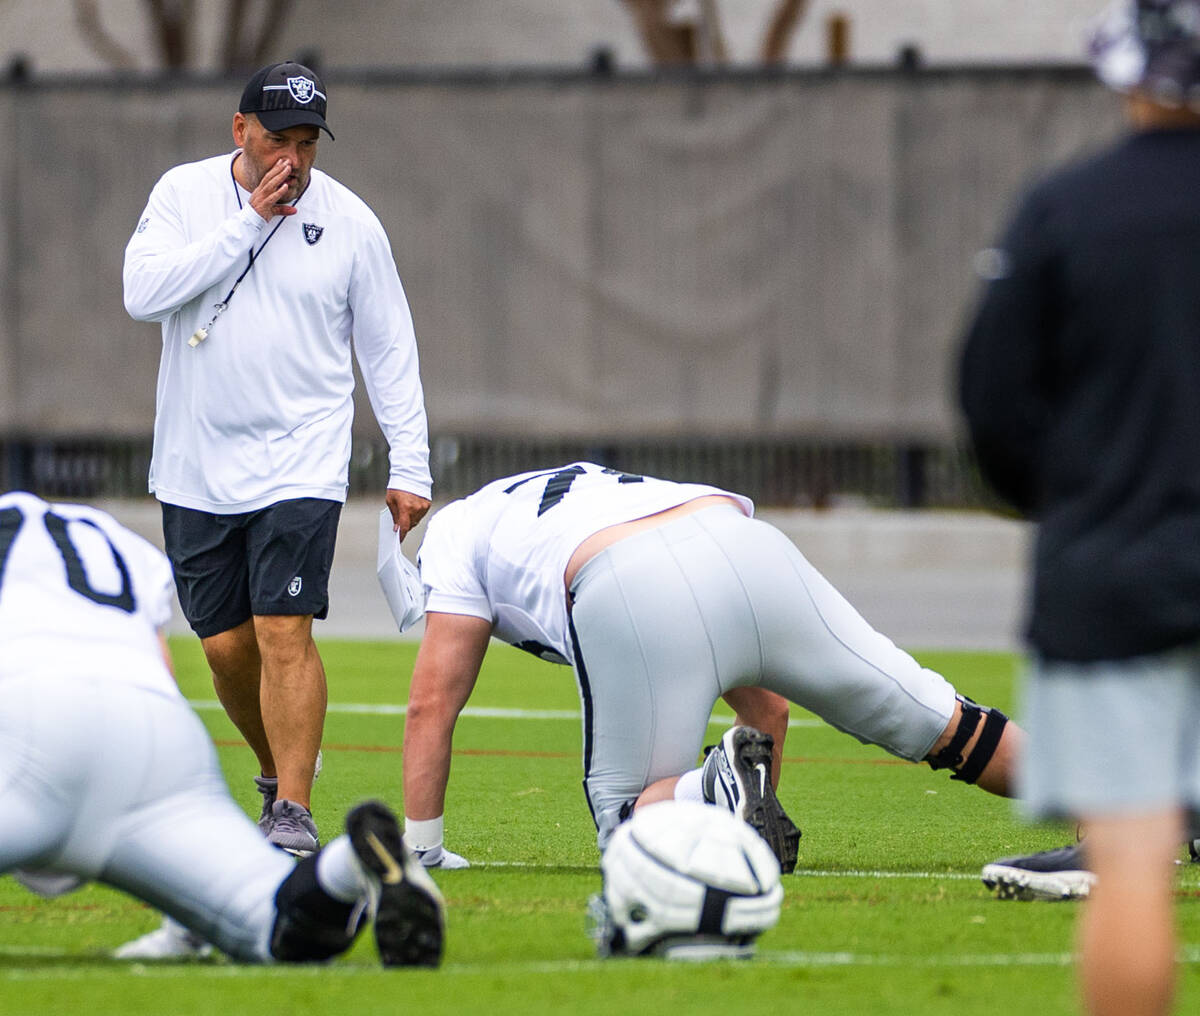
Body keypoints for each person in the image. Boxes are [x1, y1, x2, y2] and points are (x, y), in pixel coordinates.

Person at [398, 462, 1022, 871]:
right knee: (944, 724)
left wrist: (421, 849)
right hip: (748, 545)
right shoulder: (584, 486)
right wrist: (753, 832)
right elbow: (767, 710)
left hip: (630, 577)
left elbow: (431, 704)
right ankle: (1108, 810)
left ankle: (714, 785)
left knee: (631, 836)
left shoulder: (454, 531)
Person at [122, 61, 432, 855]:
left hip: (303, 459)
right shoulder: (183, 197)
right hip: (194, 463)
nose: (292, 159)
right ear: (240, 132)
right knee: (226, 649)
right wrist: (247, 225)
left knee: (283, 628)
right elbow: (143, 293)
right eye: (276, 140)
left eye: (306, 143)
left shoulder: (353, 222)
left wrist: (410, 466)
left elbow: (388, 346)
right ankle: (276, 769)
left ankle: (291, 808)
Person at [959, 4, 1200, 1011]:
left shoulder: (1066, 208)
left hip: (1114, 574)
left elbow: (992, 403)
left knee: (1134, 856)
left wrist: (1075, 501)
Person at [0, 491, 444, 966]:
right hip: (154, 735)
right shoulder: (102, 533)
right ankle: (345, 868)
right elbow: (159, 668)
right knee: (274, 926)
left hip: (29, 728)